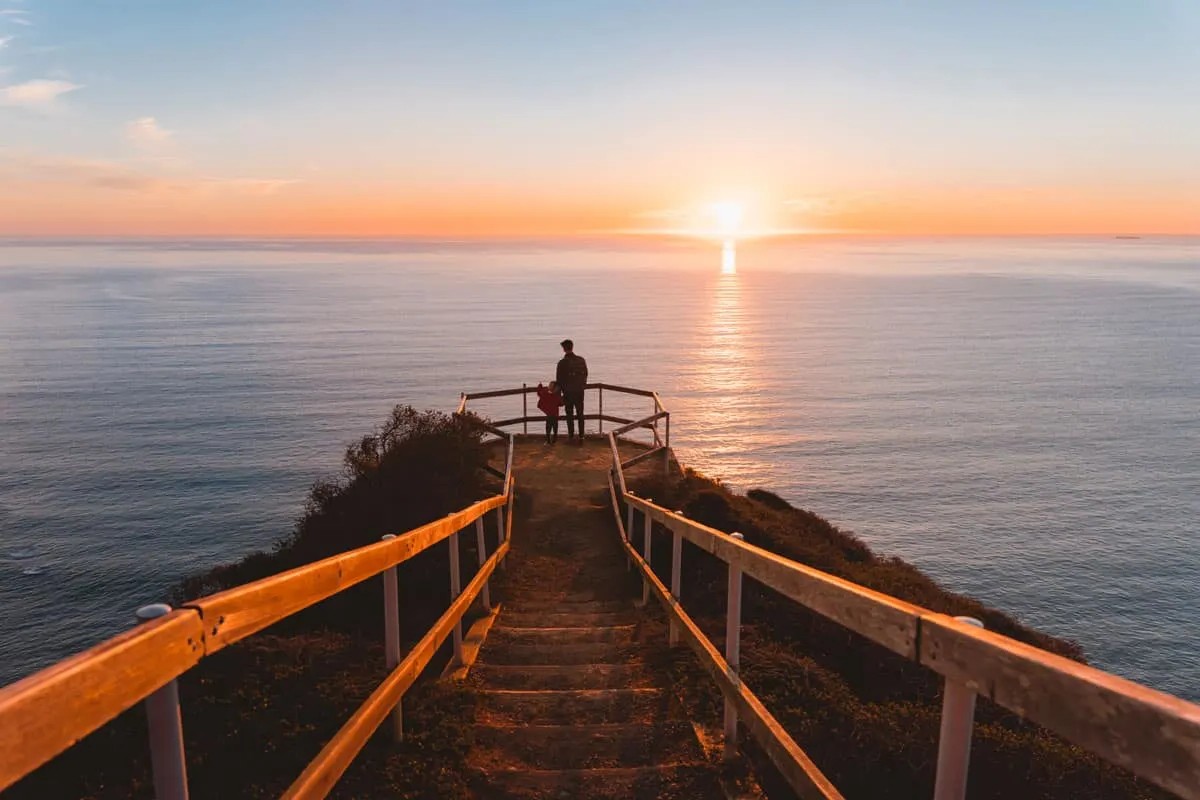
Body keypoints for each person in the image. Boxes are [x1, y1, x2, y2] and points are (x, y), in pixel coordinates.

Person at [555, 339, 588, 443]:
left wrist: (558, 395)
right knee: (580, 414)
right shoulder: (581, 360)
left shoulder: (562, 363)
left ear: (564, 349)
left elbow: (559, 380)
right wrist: (582, 386)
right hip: (579, 391)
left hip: (568, 392)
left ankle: (571, 436)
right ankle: (582, 436)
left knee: (569, 415)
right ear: (572, 347)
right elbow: (586, 374)